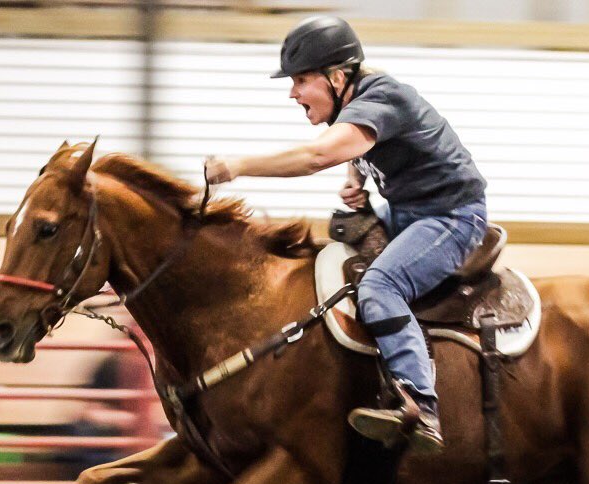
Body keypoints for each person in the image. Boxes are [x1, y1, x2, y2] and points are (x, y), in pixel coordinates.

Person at [205, 15, 488, 454]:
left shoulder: (385, 98)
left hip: (451, 216)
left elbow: (317, 156)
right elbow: (359, 147)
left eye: (301, 80)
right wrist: (357, 177)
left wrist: (239, 166)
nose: (293, 93)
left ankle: (421, 404)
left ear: (337, 78)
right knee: (337, 242)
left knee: (380, 286)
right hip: (408, 211)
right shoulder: (361, 100)